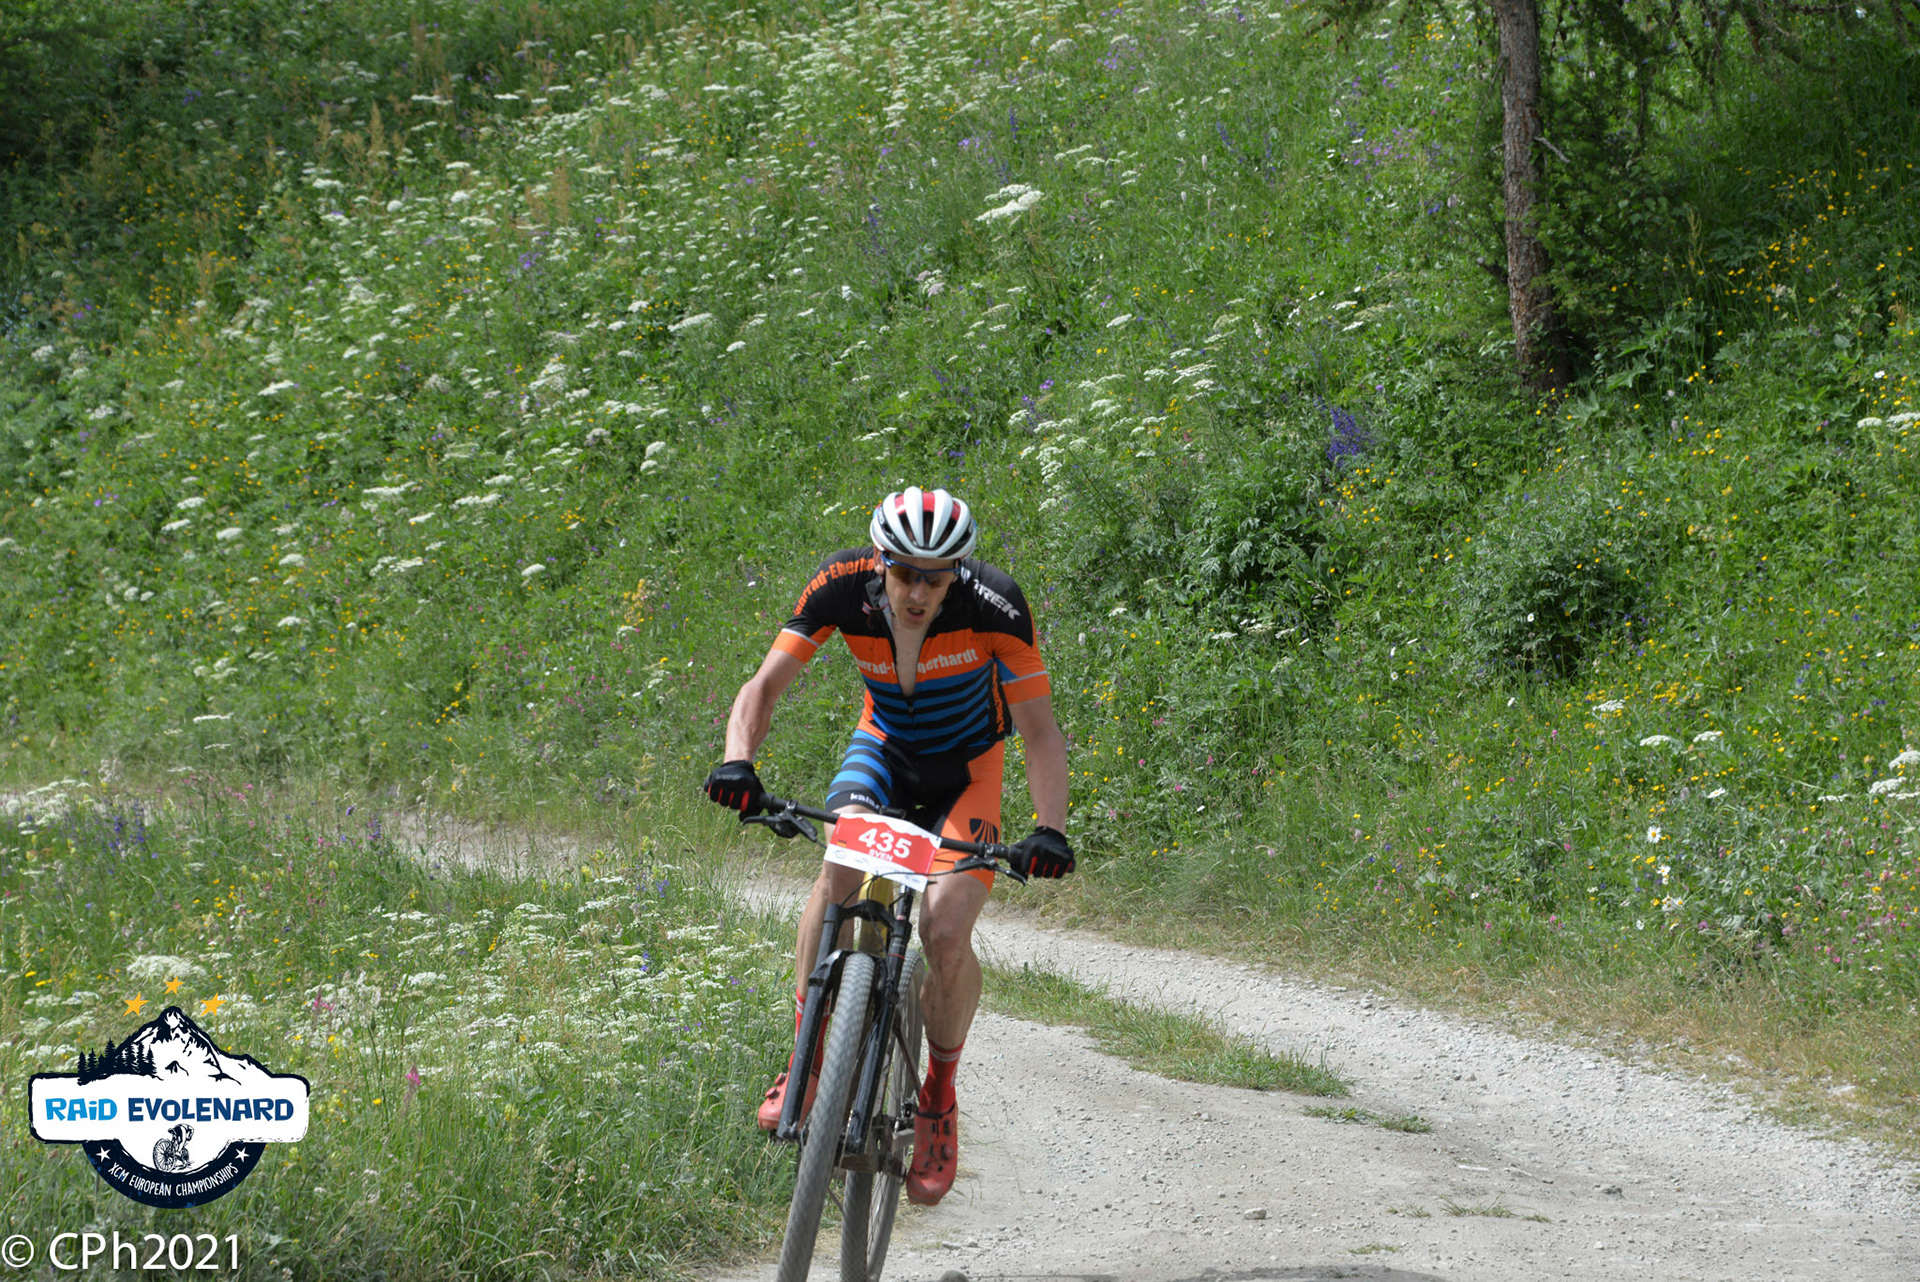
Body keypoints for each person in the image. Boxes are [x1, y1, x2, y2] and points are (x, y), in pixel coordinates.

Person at [704, 486, 1073, 1207]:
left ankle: (938, 1094)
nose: (917, 592)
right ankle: (808, 1057)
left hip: (969, 771)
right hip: (880, 753)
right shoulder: (841, 585)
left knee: (945, 926)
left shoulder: (995, 605)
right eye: (904, 573)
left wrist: (1050, 828)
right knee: (838, 870)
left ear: (957, 574)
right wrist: (737, 760)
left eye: (935, 578)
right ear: (881, 562)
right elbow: (765, 685)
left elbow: (1039, 732)